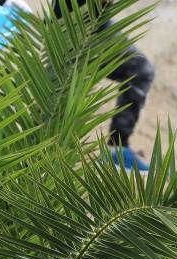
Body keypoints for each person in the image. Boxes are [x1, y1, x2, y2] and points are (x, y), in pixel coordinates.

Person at [49, 0, 154, 171]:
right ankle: (47, 153)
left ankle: (117, 149)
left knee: (139, 70)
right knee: (65, 88)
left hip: (95, 21)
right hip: (72, 22)